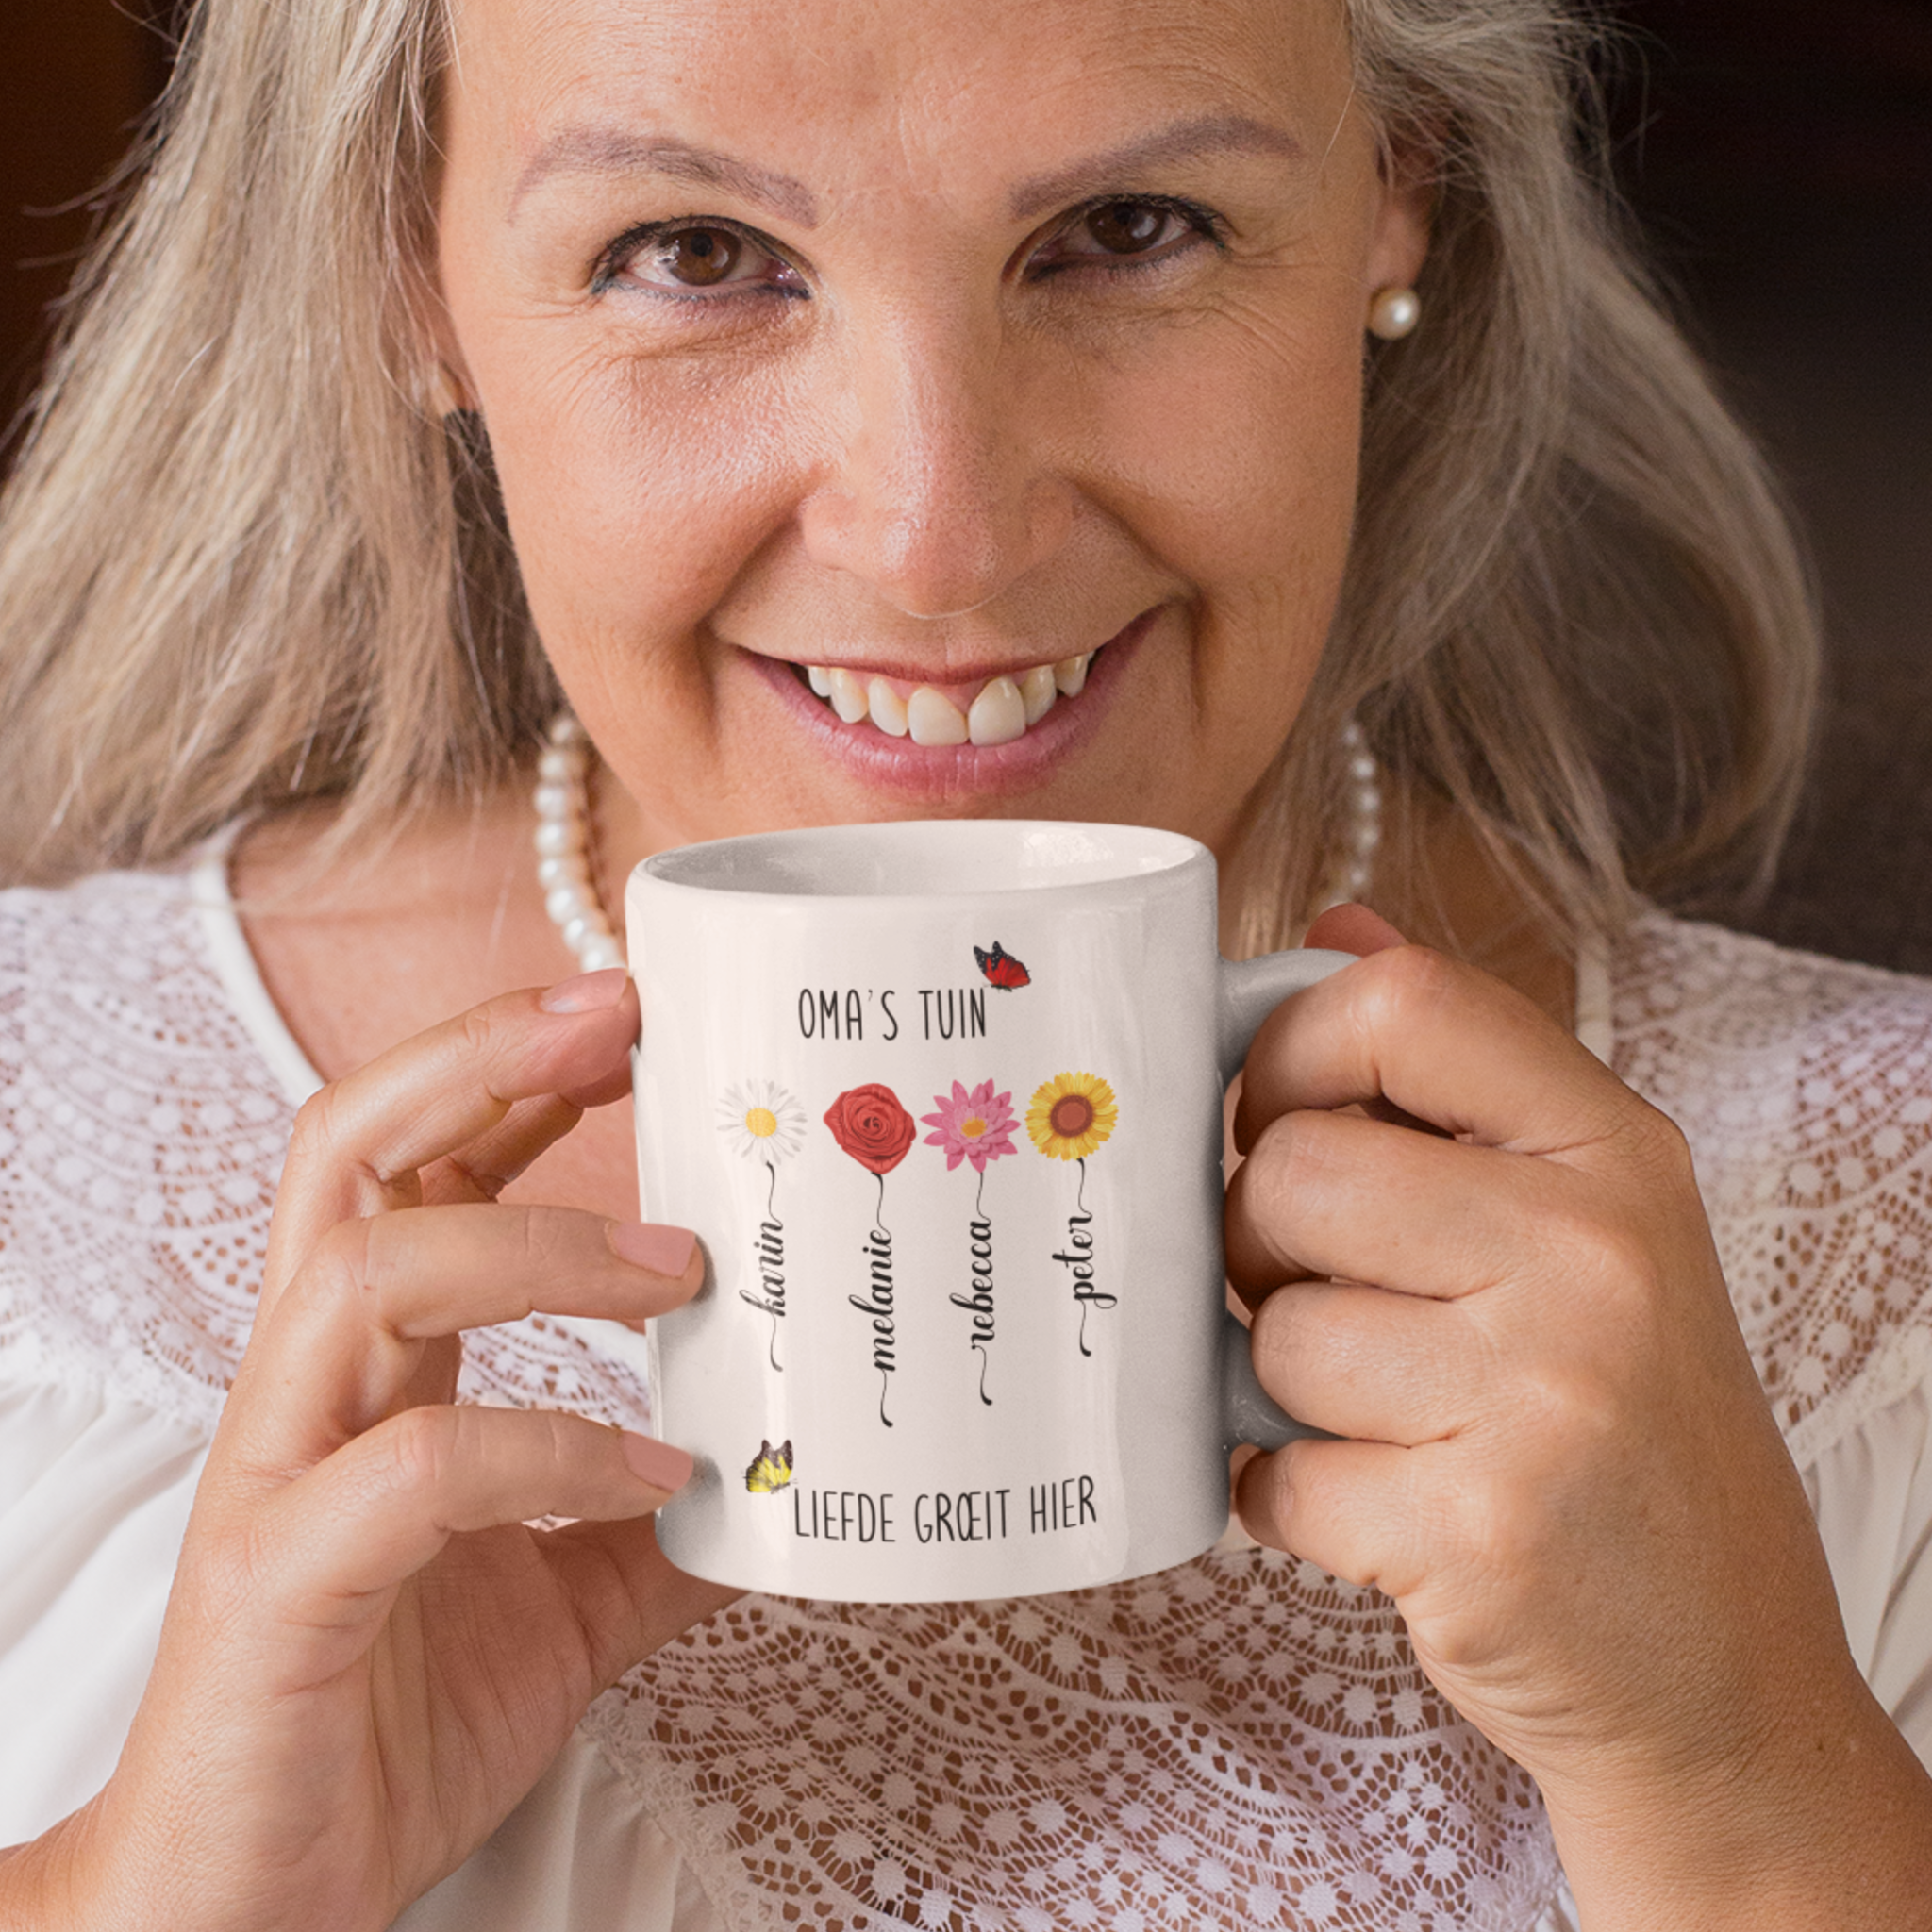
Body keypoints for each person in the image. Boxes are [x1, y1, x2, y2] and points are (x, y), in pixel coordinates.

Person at [0, 0, 1927, 1924]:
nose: (938, 536)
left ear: (1393, 202)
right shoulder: (33, 1150)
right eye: (694, 255)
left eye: (1128, 229)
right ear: (408, 271)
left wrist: (1751, 1786)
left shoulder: (1887, 1215)